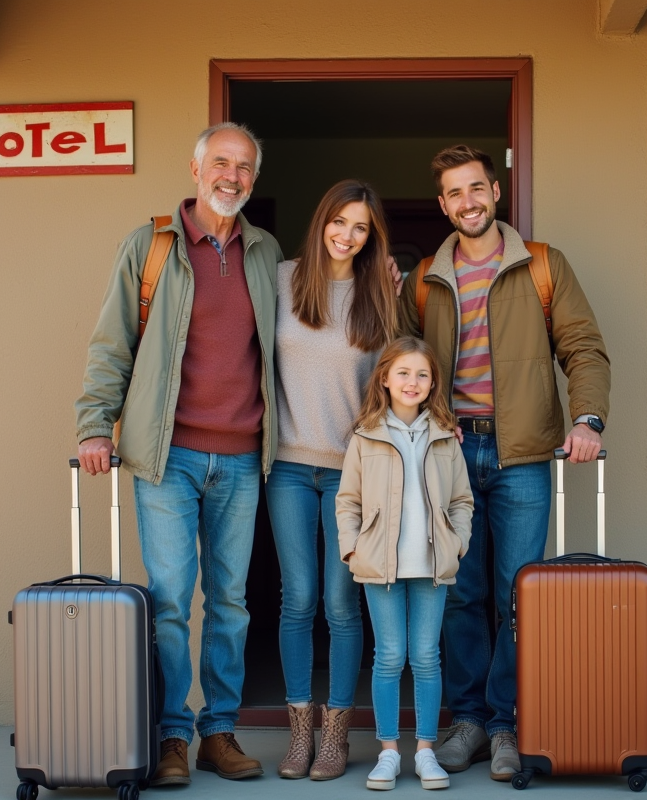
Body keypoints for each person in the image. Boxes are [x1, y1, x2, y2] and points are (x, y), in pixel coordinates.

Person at [74, 122, 283, 785]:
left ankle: (218, 732)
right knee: (168, 600)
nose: (233, 176)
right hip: (168, 458)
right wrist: (93, 425)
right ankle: (170, 735)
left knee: (231, 601)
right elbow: (112, 343)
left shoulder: (265, 250)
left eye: (245, 166)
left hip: (243, 459)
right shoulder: (152, 246)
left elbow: (306, 321)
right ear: (195, 170)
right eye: (221, 162)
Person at [400, 145, 611, 781]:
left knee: (518, 596)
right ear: (443, 204)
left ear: (496, 191)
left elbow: (584, 347)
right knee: (461, 595)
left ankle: (506, 725)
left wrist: (587, 419)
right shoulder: (425, 278)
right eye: (454, 194)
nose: (467, 202)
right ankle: (466, 721)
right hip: (450, 453)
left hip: (522, 453)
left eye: (476, 189)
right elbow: (402, 364)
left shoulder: (541, 265)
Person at [267, 180, 399, 780]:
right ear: (322, 221)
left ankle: (336, 735)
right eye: (339, 222)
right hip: (289, 467)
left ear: (372, 238)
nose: (347, 235)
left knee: (343, 604)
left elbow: (394, 388)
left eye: (361, 227)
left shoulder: (380, 295)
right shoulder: (279, 279)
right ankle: (300, 734)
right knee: (297, 600)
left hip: (350, 474)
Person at [336, 336, 474, 792]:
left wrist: (457, 543)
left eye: (422, 374)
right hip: (382, 566)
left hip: (433, 563)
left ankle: (428, 752)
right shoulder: (365, 435)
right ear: (385, 379)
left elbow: (461, 500)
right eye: (403, 373)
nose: (412, 382)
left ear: (433, 382)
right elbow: (348, 501)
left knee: (428, 658)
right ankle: (390, 753)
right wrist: (353, 549)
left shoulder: (444, 435)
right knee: (390, 657)